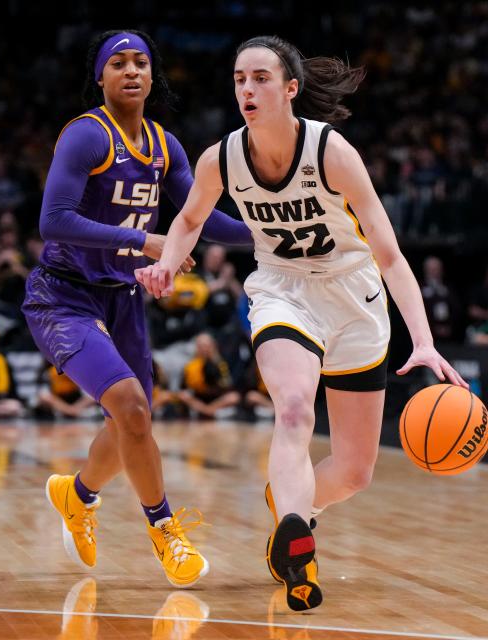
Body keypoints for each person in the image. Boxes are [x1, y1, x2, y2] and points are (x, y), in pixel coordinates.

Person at [137, 35, 467, 610]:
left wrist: (425, 341)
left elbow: (389, 254)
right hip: (282, 293)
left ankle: (292, 503)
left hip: (355, 298)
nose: (247, 89)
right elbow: (189, 219)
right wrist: (166, 264)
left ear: (291, 89)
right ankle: (298, 544)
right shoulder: (224, 157)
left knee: (355, 471)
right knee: (292, 407)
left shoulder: (332, 152)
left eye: (261, 78)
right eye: (240, 78)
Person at [22, 29, 252, 588]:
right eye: (118, 63)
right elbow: (53, 219)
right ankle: (165, 529)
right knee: (128, 404)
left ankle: (76, 497)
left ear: (152, 76)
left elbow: (198, 219)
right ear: (100, 77)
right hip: (64, 293)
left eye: (141, 63)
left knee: (134, 420)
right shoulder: (85, 136)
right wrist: (145, 242)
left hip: (122, 296)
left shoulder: (165, 145)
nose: (131, 71)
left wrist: (267, 236)